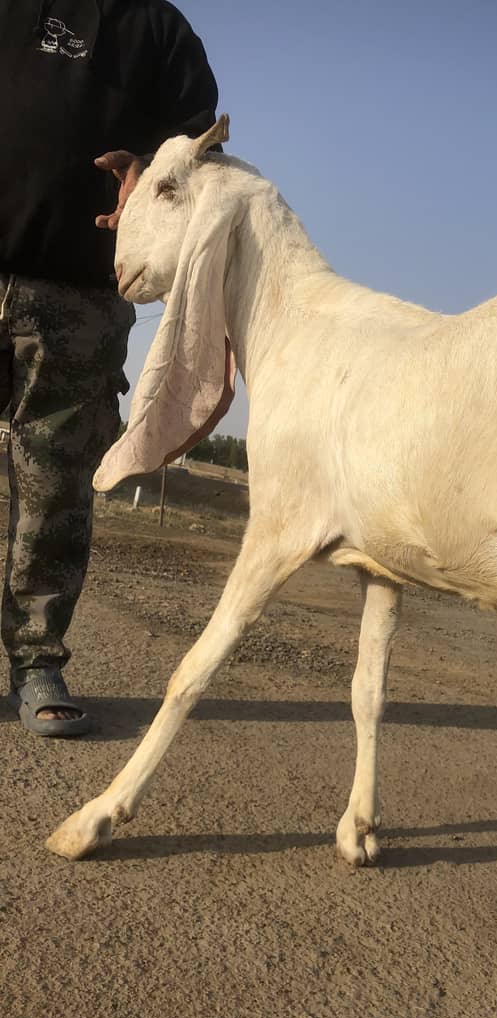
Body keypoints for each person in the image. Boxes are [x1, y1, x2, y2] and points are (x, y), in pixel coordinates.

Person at [0, 1, 220, 735]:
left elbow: (197, 153)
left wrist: (153, 171)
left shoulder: (156, 29)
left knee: (56, 481)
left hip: (81, 292)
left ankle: (36, 660)